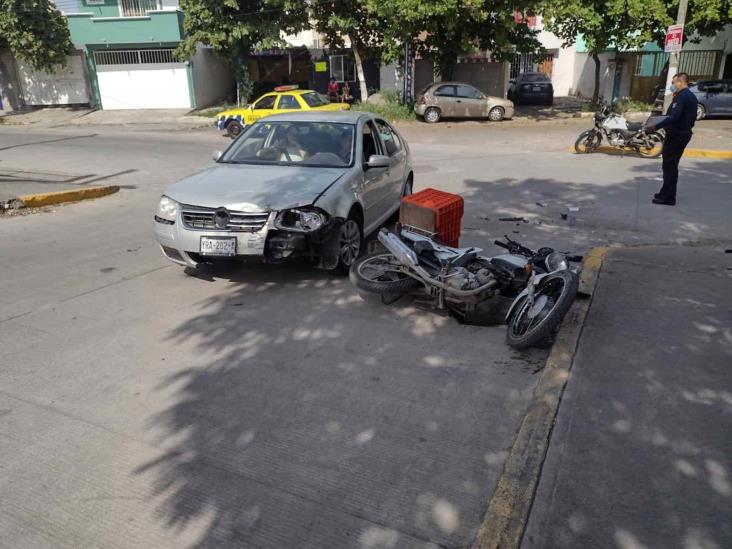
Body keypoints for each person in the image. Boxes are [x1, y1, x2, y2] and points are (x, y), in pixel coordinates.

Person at [646, 72, 698, 206]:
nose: (672, 85)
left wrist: (655, 126)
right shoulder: (688, 96)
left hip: (677, 135)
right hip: (681, 133)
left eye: (674, 83)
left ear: (681, 82)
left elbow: (674, 117)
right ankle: (664, 192)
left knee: (670, 167)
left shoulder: (683, 97)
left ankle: (669, 197)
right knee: (669, 166)